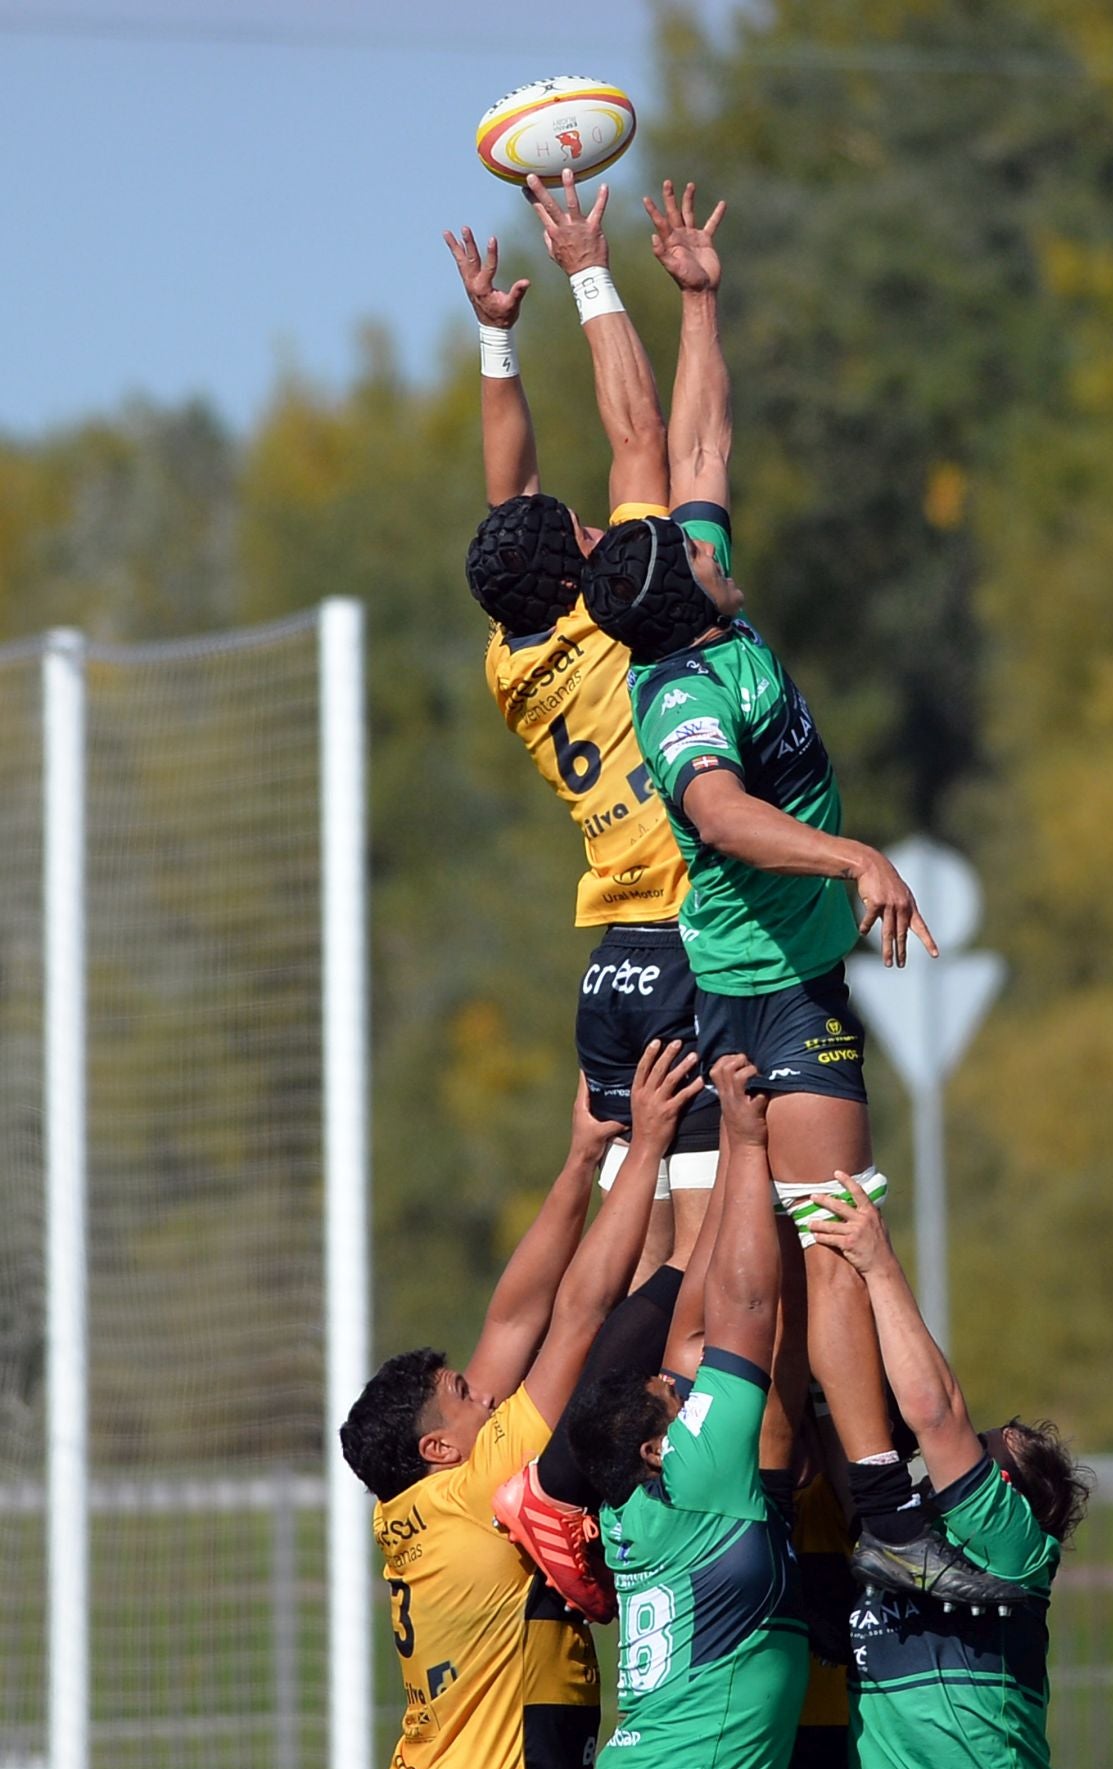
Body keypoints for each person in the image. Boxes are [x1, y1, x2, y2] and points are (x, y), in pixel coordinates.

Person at [579, 281, 992, 1590]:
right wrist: (850, 853)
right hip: (768, 988)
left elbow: (696, 444)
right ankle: (879, 1506)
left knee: (790, 1239)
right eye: (696, 542)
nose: (709, 530)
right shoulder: (689, 689)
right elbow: (717, 811)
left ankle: (792, 1474)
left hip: (781, 972)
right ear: (686, 589)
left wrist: (697, 300)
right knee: (829, 1237)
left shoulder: (705, 611)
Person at [449, 173, 729, 1285]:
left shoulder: (512, 656)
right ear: (584, 567)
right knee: (715, 1281)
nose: (594, 515)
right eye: (583, 525)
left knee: (642, 1274)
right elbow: (643, 430)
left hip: (612, 965)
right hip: (689, 933)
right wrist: (587, 273)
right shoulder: (629, 612)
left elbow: (508, 504)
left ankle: (630, 1454)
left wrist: (495, 343)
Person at [339, 1041, 700, 1769]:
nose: (490, 1397)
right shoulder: (473, 1497)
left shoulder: (423, 1504)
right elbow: (576, 1319)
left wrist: (583, 1159)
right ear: (437, 1446)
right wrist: (653, 1148)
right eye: (468, 1397)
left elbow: (514, 1322)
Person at [566, 1055, 810, 1769]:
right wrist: (747, 1139)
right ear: (654, 1448)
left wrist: (731, 1154)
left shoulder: (637, 1503)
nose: (676, 1386)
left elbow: (689, 1348)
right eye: (667, 1396)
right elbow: (742, 1311)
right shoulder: (693, 1479)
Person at [807, 1179, 1093, 1769]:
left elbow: (937, 1415)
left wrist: (879, 1263)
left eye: (984, 1450)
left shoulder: (1013, 1551)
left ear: (1013, 1493)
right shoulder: (898, 1536)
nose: (952, 1460)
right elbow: (839, 1428)